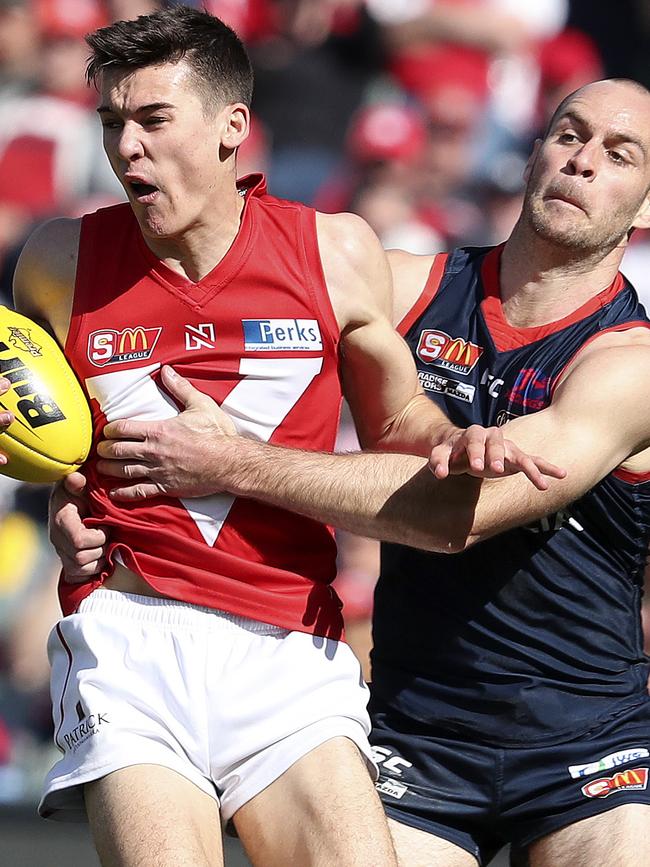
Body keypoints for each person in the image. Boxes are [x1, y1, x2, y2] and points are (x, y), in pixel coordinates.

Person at [7, 6, 557, 867]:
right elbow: (45, 428)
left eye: (153, 119)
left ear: (234, 127)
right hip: (129, 631)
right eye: (112, 123)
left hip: (292, 643)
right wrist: (60, 505)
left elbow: (400, 420)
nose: (125, 149)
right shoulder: (58, 258)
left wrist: (458, 439)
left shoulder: (332, 250)